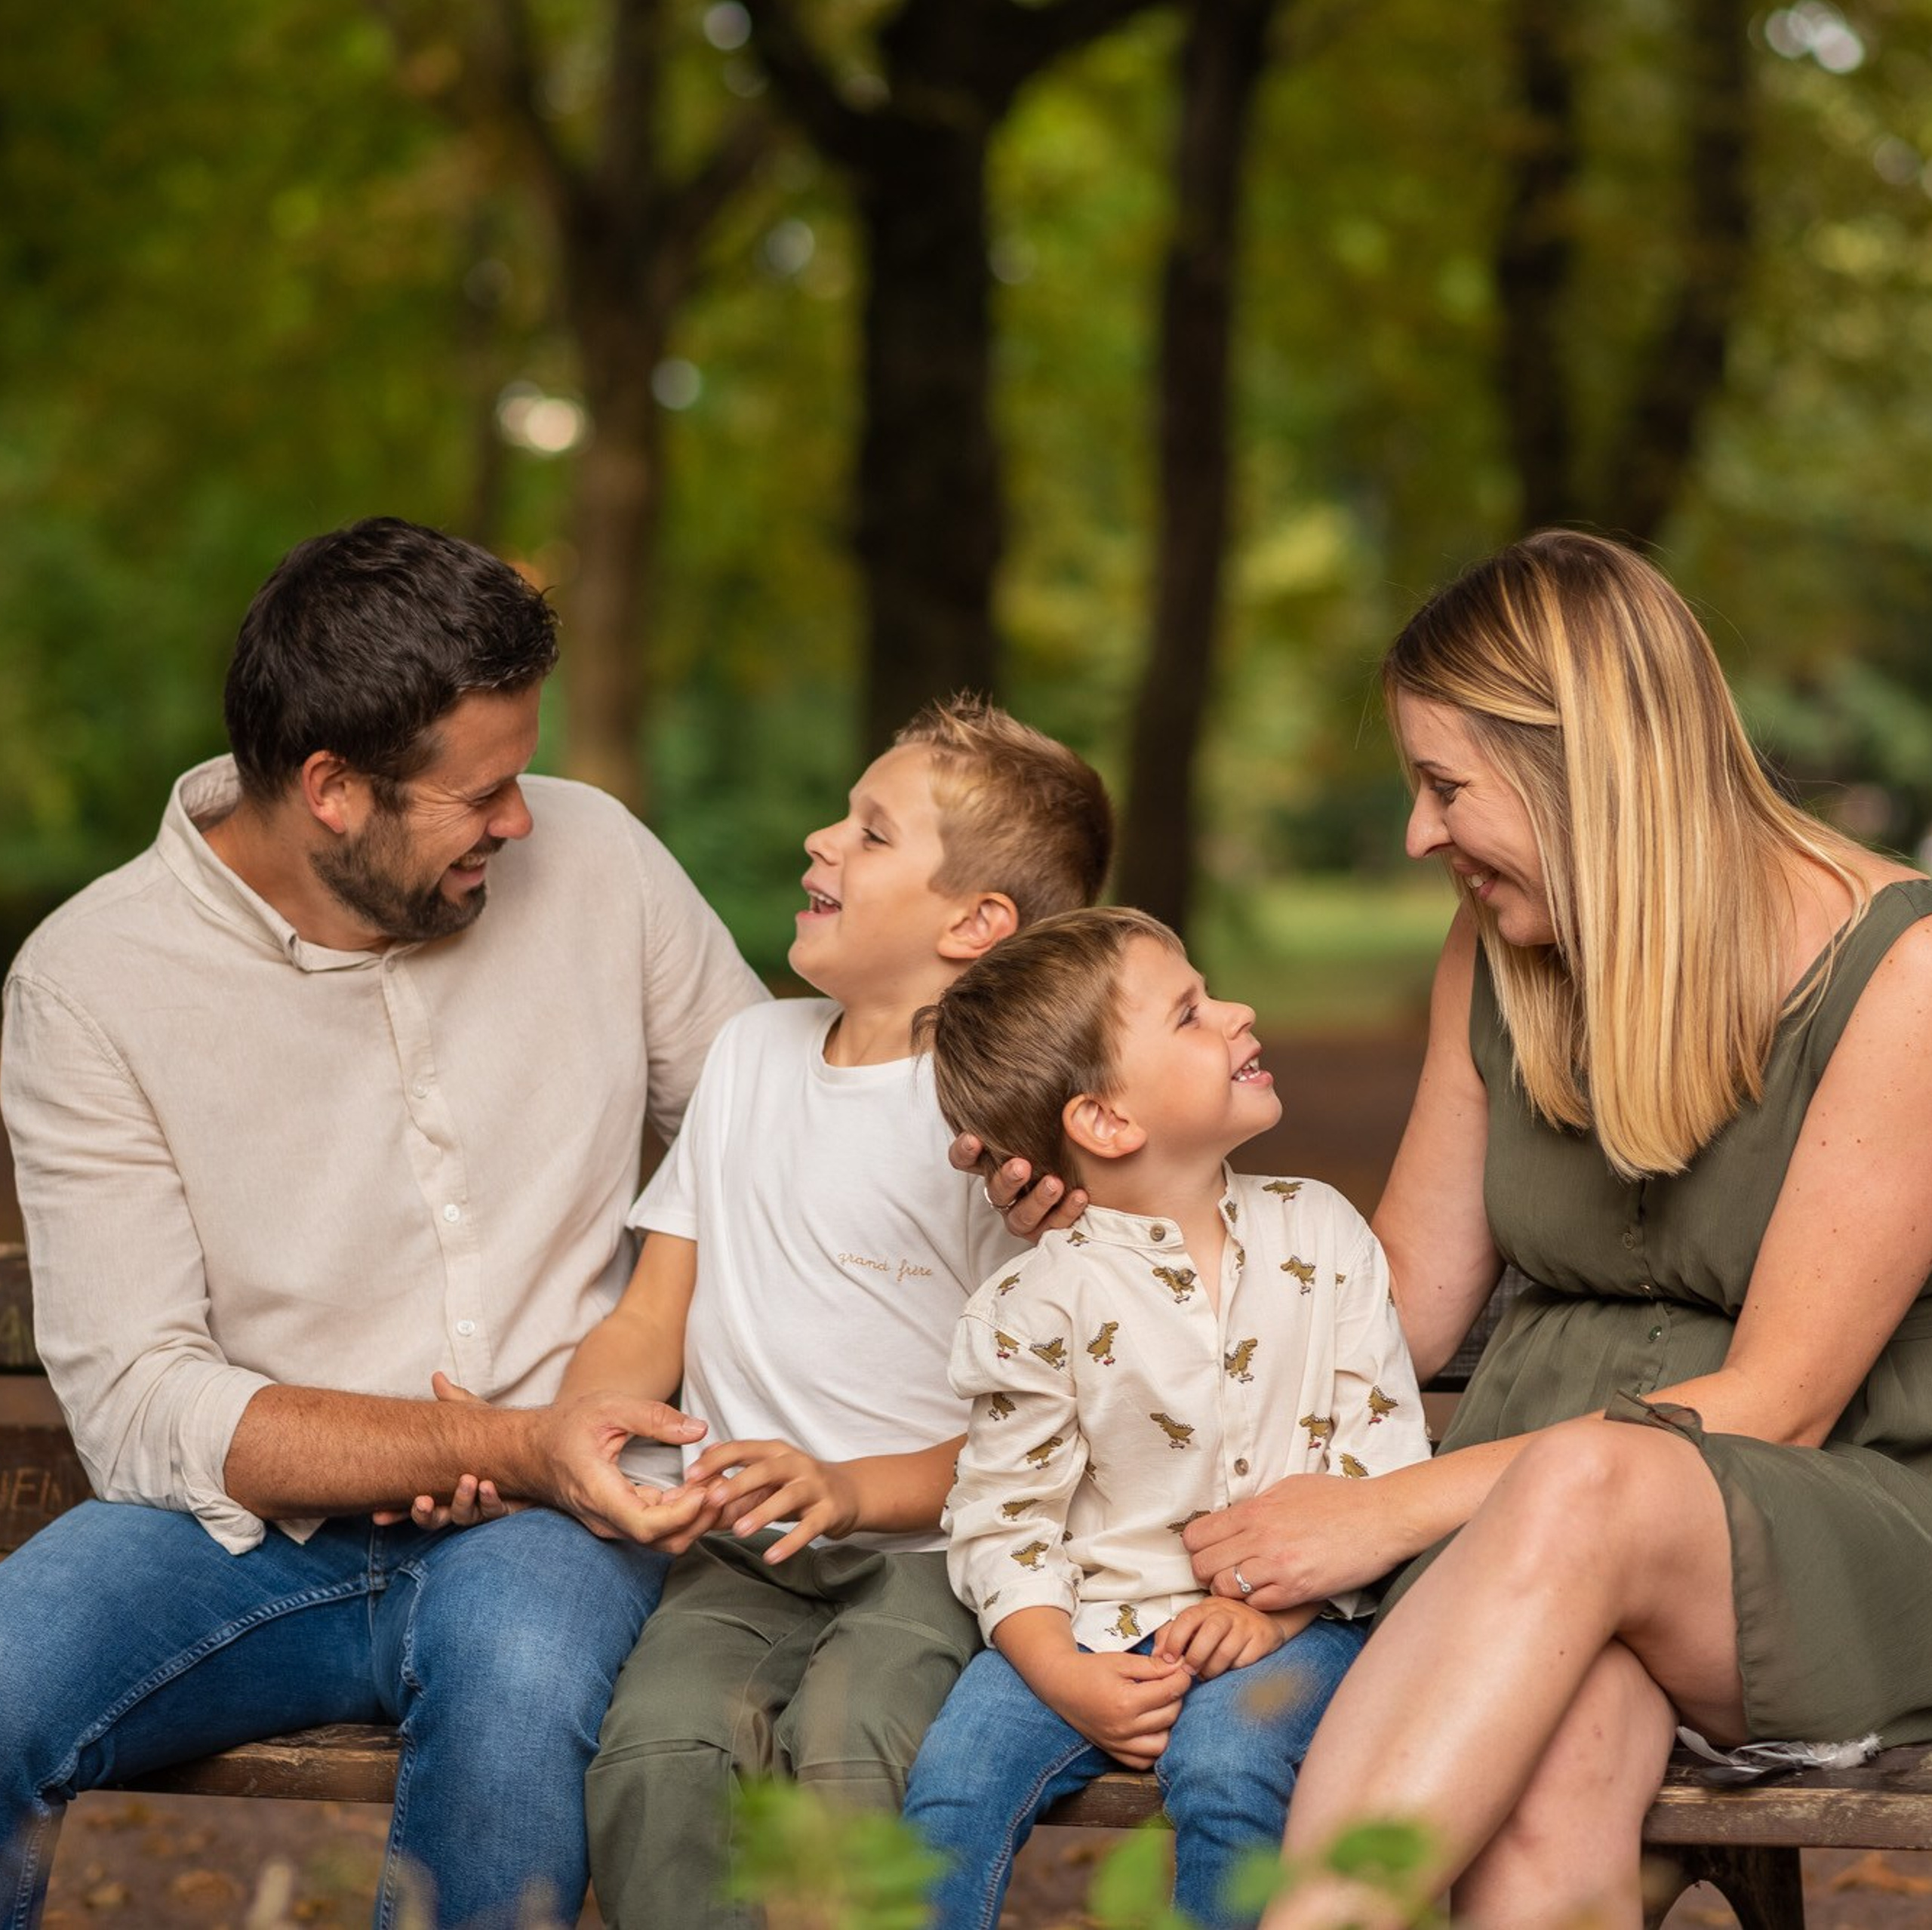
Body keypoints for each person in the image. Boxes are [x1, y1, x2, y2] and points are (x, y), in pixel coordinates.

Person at [1158, 530, 1932, 1929]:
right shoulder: (1502, 945)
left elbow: (1775, 1405)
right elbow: (1402, 1305)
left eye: (1447, 785)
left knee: (1587, 1491)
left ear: (1585, 768)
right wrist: (1145, 1220)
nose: (1417, 834)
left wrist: (1382, 1514)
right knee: (1548, 1811)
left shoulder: (1907, 974)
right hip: (1539, 1562)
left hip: (1826, 1537)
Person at [0, 518, 766, 1930]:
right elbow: (142, 1405)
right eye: (481, 796)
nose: (522, 821)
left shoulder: (601, 861)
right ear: (332, 790)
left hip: (554, 1521)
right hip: (231, 1537)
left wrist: (988, 1148)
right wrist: (490, 1439)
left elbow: (776, 1130)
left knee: (522, 1694)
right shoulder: (93, 984)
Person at [559, 699, 1115, 1930]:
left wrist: (854, 1488)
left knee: (854, 1747)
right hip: (737, 1557)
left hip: (936, 1562)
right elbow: (657, 1305)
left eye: (869, 834)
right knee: (658, 1759)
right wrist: (589, 1417)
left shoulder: (1006, 1134)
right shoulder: (752, 1057)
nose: (821, 840)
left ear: (975, 924)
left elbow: (1052, 1424)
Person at [905, 906, 1430, 1930]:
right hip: (1087, 1629)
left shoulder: (1322, 1233)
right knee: (952, 1786)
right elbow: (1003, 1518)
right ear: (1106, 1122)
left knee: (1230, 1766)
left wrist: (1273, 1612)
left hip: (1298, 1626)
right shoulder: (1035, 1305)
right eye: (1191, 1013)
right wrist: (1060, 1670)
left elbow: (1382, 1462)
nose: (1236, 1012)